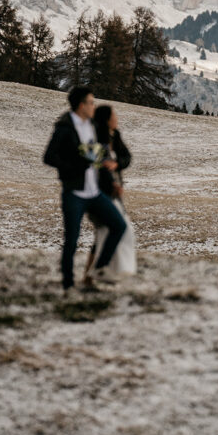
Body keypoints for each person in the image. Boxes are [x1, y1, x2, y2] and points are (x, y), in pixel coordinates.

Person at [43, 85, 126, 292]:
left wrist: (111, 180)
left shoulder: (92, 127)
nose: (93, 106)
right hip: (75, 192)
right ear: (81, 105)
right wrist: (74, 166)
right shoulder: (65, 127)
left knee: (118, 226)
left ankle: (99, 269)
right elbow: (49, 157)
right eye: (91, 102)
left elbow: (96, 158)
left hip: (94, 191)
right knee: (71, 240)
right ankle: (68, 285)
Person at [82, 104, 136, 284]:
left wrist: (117, 164)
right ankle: (101, 271)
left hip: (113, 193)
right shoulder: (95, 138)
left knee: (104, 234)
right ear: (107, 119)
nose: (117, 119)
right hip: (99, 193)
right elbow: (94, 167)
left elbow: (127, 157)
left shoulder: (116, 136)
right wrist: (110, 181)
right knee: (116, 229)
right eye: (114, 116)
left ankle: (92, 276)